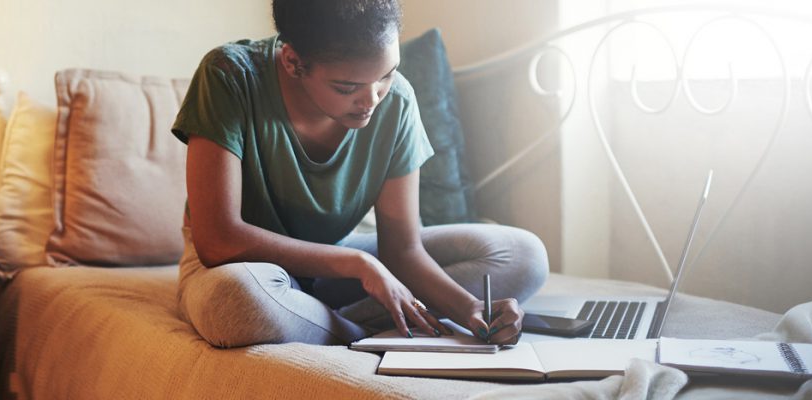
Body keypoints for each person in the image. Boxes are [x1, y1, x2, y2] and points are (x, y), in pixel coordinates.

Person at [171, 0, 548, 348]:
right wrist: (358, 264)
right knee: (237, 304)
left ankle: (311, 321)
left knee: (525, 255)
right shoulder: (229, 76)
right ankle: (358, 333)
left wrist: (469, 309)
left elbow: (401, 252)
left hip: (334, 265)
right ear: (292, 62)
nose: (372, 101)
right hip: (241, 269)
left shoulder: (395, 100)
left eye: (386, 74)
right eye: (347, 87)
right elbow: (217, 241)